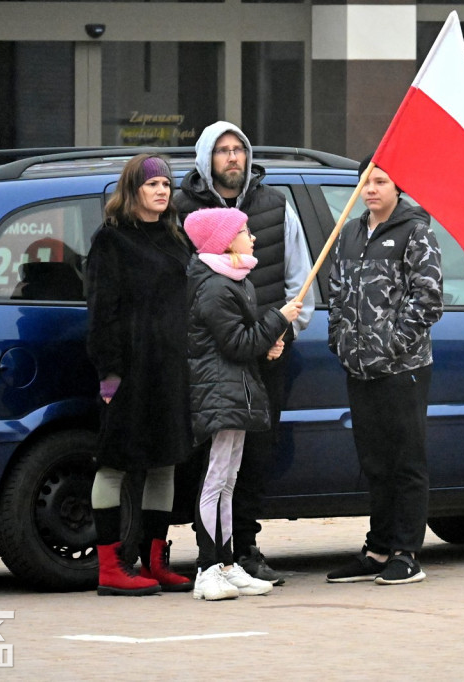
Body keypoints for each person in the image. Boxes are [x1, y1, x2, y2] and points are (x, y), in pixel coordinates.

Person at [175, 121, 315, 585]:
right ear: (205, 159)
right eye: (222, 151)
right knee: (211, 461)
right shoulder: (183, 209)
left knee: (253, 456)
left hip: (268, 353)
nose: (233, 158)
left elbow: (299, 280)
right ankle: (210, 557)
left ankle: (242, 549)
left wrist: (282, 335)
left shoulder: (275, 206)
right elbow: (181, 290)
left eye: (239, 150)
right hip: (214, 358)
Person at [325, 157, 443, 585]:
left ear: (398, 187)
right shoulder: (352, 233)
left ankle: (406, 552)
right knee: (373, 460)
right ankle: (377, 549)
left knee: (405, 460)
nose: (370, 189)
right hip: (358, 369)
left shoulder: (416, 232)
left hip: (402, 369)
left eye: (379, 181)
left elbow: (428, 301)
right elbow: (337, 293)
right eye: (365, 182)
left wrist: (389, 347)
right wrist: (340, 339)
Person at [84, 154, 195, 596]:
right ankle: (110, 566)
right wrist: (109, 375)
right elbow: (101, 314)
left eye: (167, 183)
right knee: (114, 464)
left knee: (164, 464)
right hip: (128, 373)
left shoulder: (174, 237)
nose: (162, 190)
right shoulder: (110, 241)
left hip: (169, 371)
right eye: (152, 184)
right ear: (133, 190)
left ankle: (154, 562)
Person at [183, 207, 303, 601]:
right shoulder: (216, 287)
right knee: (215, 479)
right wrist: (277, 320)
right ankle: (206, 568)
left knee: (229, 480)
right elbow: (236, 343)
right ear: (224, 240)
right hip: (219, 393)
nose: (252, 237)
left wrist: (270, 342)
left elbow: (243, 340)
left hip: (235, 390)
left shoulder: (236, 281)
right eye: (245, 231)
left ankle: (228, 564)